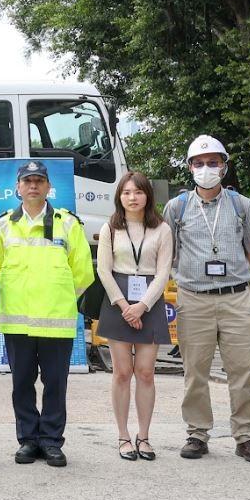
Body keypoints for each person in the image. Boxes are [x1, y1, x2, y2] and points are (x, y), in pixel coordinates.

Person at [162, 134, 250, 464]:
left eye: (213, 162)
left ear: (224, 166)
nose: (206, 168)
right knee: (195, 372)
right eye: (199, 163)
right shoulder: (176, 208)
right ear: (190, 167)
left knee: (242, 372)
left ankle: (245, 436)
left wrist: (233, 278)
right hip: (193, 299)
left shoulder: (241, 205)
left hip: (236, 298)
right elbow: (169, 252)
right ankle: (197, 433)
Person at [0, 161, 93, 467]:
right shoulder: (3, 225)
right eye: (28, 181)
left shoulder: (68, 224)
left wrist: (58, 297)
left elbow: (83, 272)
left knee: (55, 385)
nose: (33, 185)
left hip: (56, 321)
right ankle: (28, 440)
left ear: (49, 187)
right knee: (21, 384)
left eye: (39, 181)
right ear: (18, 188)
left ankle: (51, 441)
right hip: (18, 321)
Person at [94, 171, 173, 462]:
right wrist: (124, 305)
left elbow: (164, 271)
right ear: (120, 196)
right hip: (118, 298)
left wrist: (142, 306)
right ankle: (123, 436)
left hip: (149, 301)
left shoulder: (162, 229)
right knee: (122, 373)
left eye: (138, 192)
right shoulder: (110, 228)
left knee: (146, 373)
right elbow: (104, 270)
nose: (132, 197)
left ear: (147, 196)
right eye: (126, 192)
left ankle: (145, 436)